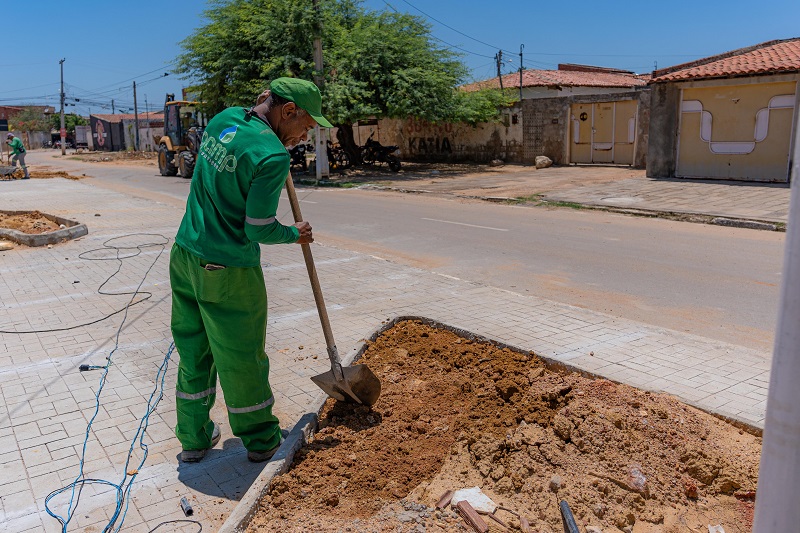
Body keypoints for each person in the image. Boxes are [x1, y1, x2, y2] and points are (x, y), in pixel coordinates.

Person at [170, 77, 333, 463]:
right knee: (241, 357)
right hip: (228, 270)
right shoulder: (272, 156)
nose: (305, 136)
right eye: (306, 125)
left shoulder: (223, 119)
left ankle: (193, 438)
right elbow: (258, 228)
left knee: (194, 352)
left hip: (185, 254)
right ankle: (261, 439)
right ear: (288, 110)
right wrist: (294, 233)